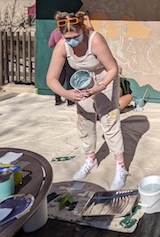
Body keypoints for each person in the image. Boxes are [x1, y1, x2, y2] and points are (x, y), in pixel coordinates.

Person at [46, 10, 128, 190]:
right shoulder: (63, 45)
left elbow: (113, 68)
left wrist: (101, 86)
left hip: (104, 78)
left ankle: (120, 167)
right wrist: (66, 94)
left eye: (75, 36)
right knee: (84, 122)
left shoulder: (95, 40)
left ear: (82, 29)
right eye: (67, 38)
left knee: (109, 120)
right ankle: (91, 159)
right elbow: (51, 78)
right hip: (82, 80)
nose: (72, 41)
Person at [48, 27, 76, 106]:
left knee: (59, 78)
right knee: (70, 77)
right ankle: (70, 100)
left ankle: (57, 99)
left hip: (59, 57)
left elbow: (50, 44)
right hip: (69, 55)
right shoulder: (70, 31)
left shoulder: (55, 32)